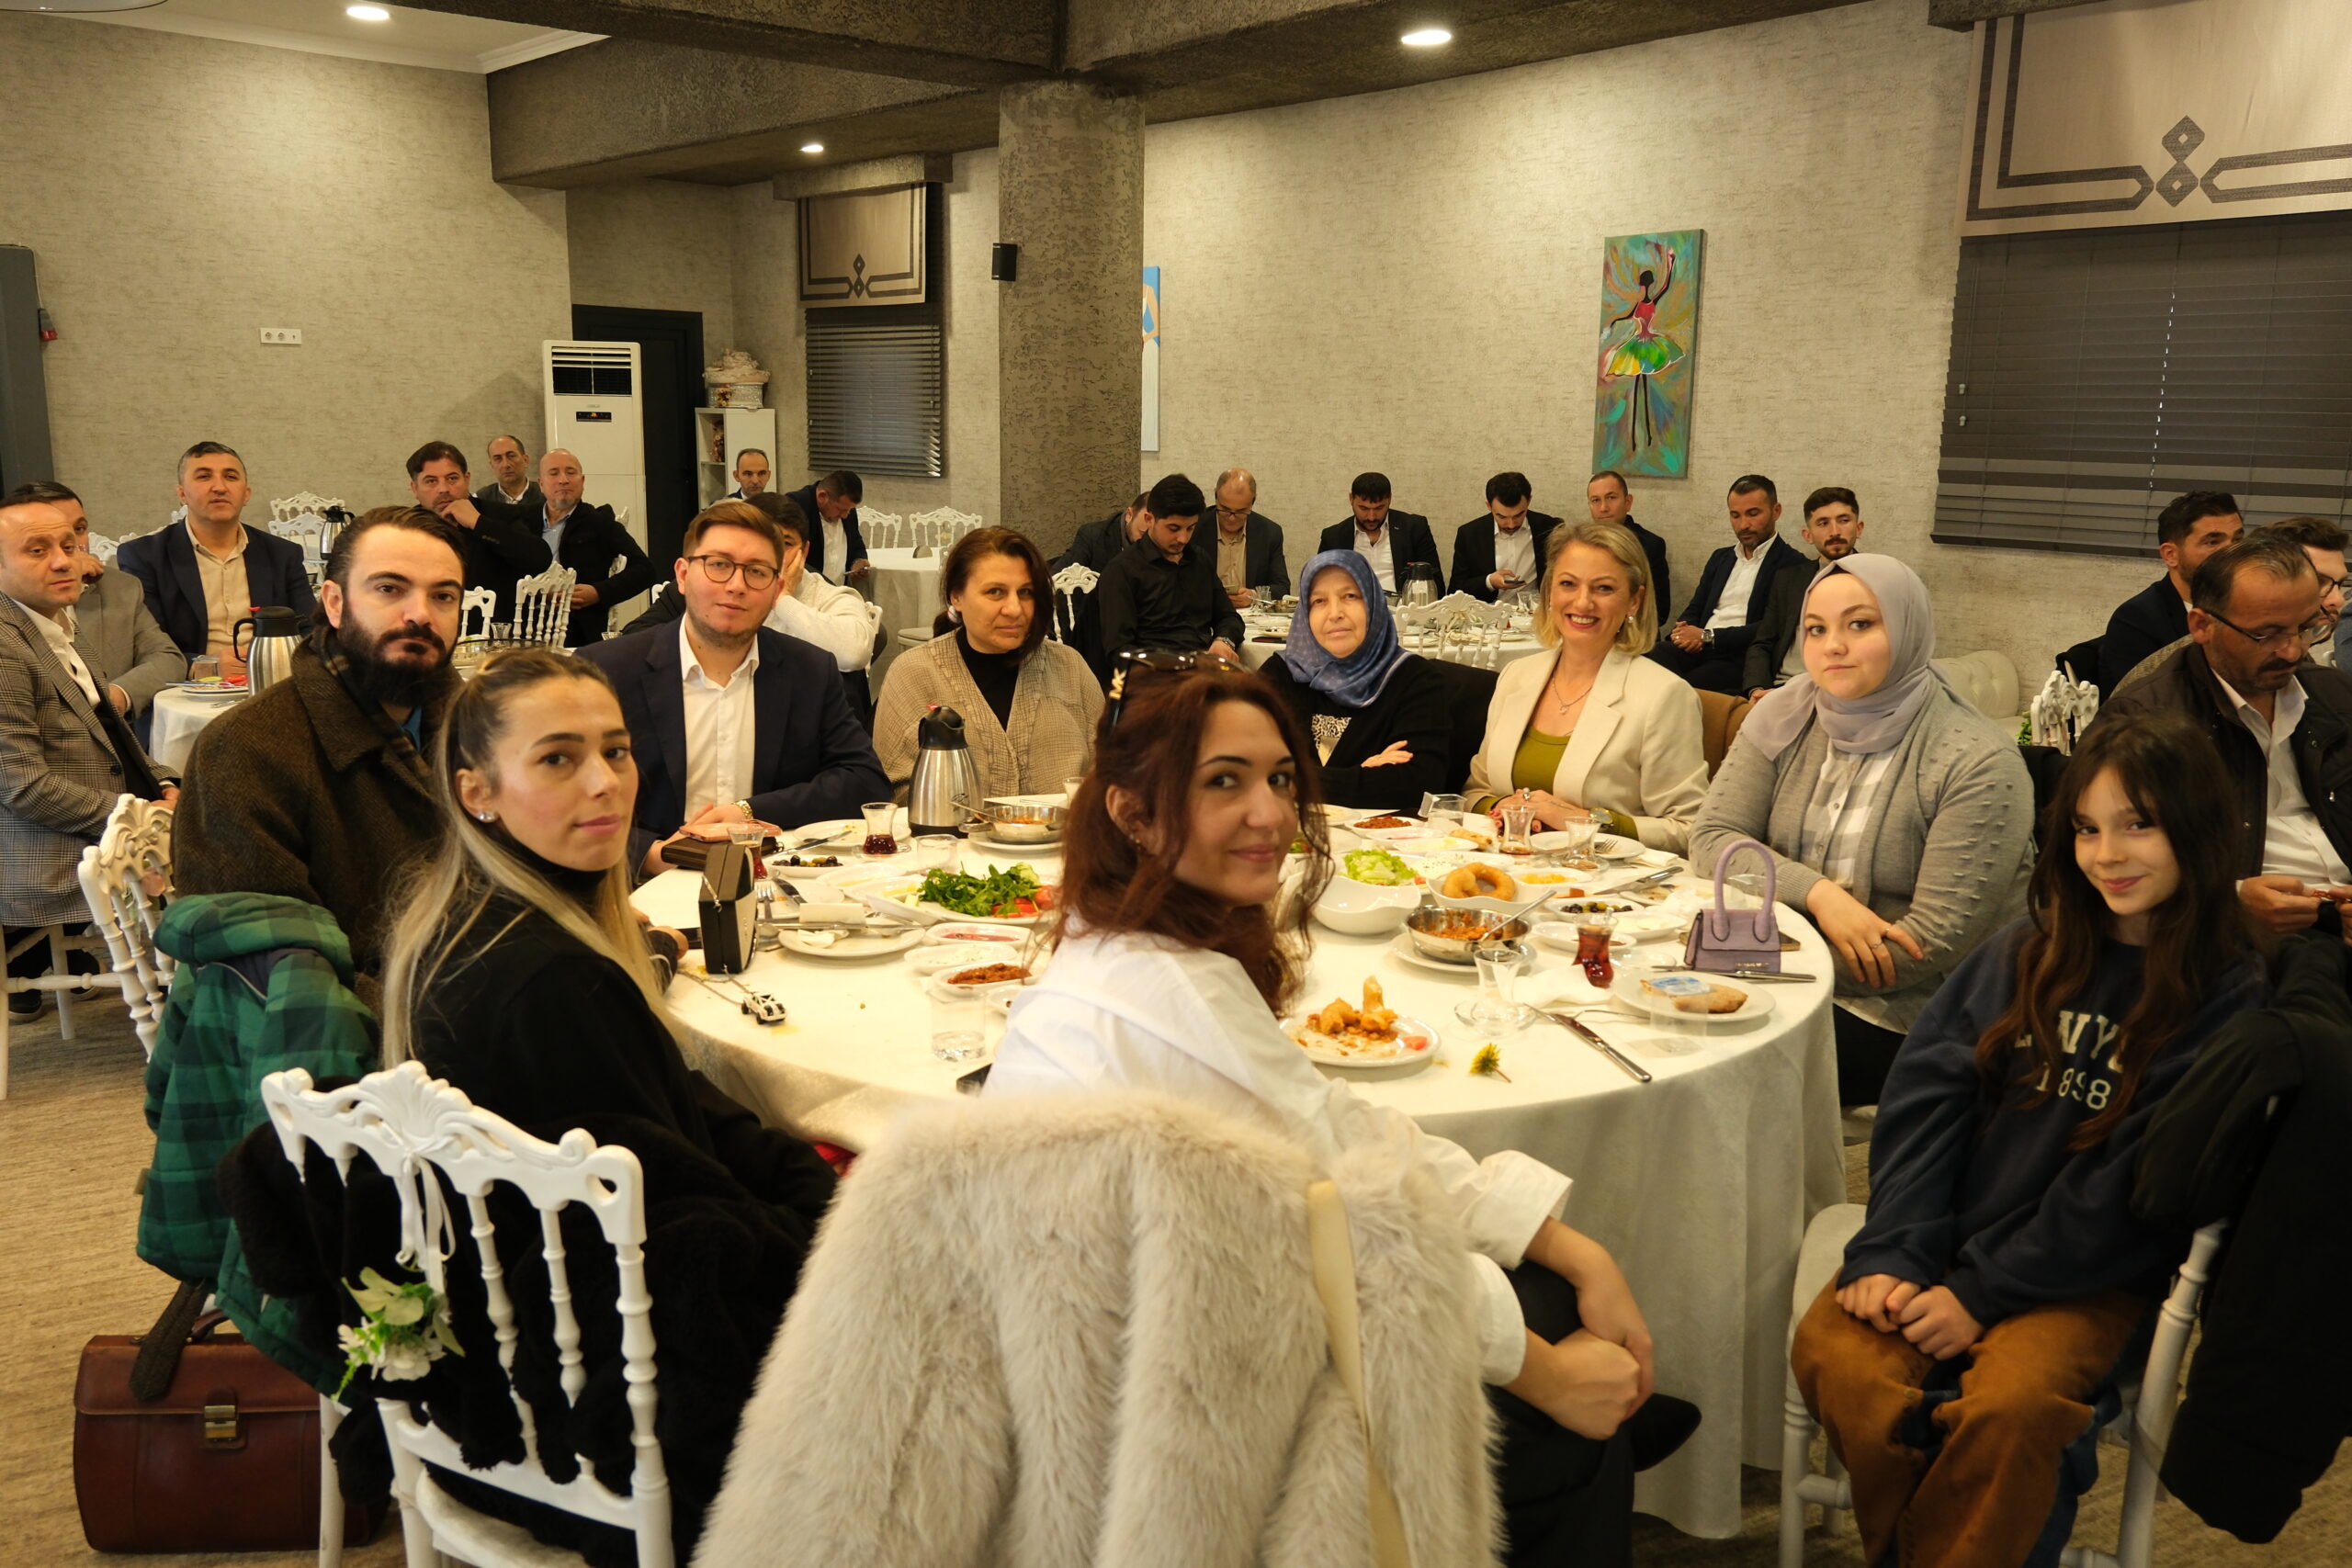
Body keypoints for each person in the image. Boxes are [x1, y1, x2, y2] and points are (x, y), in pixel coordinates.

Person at [988, 666, 1695, 1567]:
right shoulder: (1171, 994)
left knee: (1542, 1287)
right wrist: (1548, 1374)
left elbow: (1331, 1122)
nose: (1270, 815)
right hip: (1151, 1409)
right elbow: (1341, 1240)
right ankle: (1594, 1451)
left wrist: (1557, 1239)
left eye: (1281, 778)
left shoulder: (1121, 938)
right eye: (1223, 781)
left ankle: (1604, 1423)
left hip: (1159, 1315)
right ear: (1132, 813)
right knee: (1552, 1376)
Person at [376, 643, 838, 1562]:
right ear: (478, 792)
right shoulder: (553, 981)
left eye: (616, 751)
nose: (605, 783)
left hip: (503, 1348)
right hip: (587, 1409)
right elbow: (688, 1226)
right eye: (558, 758)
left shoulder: (458, 920)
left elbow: (676, 1126)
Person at [1791, 716, 2263, 1568]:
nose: (2107, 854)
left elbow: (2133, 1184)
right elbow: (1927, 1098)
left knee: (2011, 1411)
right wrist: (1898, 1245)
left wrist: (1982, 1291)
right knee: (1840, 1358)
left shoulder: (2225, 995)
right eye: (2086, 828)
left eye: (2138, 824)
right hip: (1950, 1236)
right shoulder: (2030, 948)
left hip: (2091, 1275)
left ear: (2195, 828)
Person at [1690, 556, 2034, 1106]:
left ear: (1907, 627)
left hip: (1919, 1013)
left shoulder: (1976, 760)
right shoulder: (1784, 715)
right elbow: (1713, 837)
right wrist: (1819, 895)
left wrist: (1758, 959)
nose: (1833, 646)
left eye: (1860, 624)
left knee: (1708, 1064)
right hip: (1781, 967)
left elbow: (1926, 947)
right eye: (1815, 629)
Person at [172, 505, 465, 985]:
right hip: (371, 1021)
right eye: (389, 589)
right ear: (334, 602)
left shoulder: (480, 728)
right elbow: (272, 975)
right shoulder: (245, 750)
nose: (420, 614)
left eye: (443, 596)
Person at [580, 500, 887, 876]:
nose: (736, 586)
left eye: (756, 572)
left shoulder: (809, 670)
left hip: (773, 880)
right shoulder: (606, 671)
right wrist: (653, 855)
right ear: (682, 575)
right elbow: (560, 801)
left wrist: (748, 812)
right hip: (638, 887)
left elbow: (864, 781)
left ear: (777, 589)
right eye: (719, 565)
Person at [2091, 533, 2352, 940]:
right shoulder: (2143, 720)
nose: (2292, 651)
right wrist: (2229, 902)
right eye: (2267, 635)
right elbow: (2099, 863)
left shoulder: (2335, 695)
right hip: (2222, 938)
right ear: (2202, 626)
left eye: (2304, 629)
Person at [0, 496, 174, 1015]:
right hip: (43, 852)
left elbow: (114, 739)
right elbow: (23, 787)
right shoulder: (4, 647)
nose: (63, 561)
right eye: (37, 550)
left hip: (91, 826)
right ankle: (204, 1012)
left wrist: (165, 784)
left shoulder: (53, 627)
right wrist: (136, 816)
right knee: (221, 862)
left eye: (70, 545)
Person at [1465, 519, 1707, 852]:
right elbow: (1476, 792)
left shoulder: (1664, 696)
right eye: (1568, 584)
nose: (1582, 603)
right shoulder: (1516, 676)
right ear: (1550, 591)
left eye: (1603, 588)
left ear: (1634, 601)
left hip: (1607, 880)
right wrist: (1503, 806)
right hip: (1511, 868)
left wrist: (1585, 820)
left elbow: (1690, 829)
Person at [871, 527, 1102, 800]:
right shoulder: (914, 674)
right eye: (995, 592)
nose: (1014, 609)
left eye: (1026, 592)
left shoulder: (1070, 667)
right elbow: (891, 791)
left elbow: (1110, 771)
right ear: (956, 596)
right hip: (946, 829)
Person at [1258, 549, 1451, 810]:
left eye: (1350, 596)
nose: (1334, 613)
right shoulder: (1281, 674)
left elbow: (1418, 784)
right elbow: (1248, 767)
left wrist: (1296, 781)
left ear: (1373, 602)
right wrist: (1361, 775)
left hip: (1382, 833)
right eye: (1319, 601)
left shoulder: (1415, 680)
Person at [116, 442, 316, 681]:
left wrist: (268, 663)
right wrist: (206, 666)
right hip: (187, 688)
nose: (219, 487)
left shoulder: (282, 554)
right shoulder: (144, 557)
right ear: (182, 494)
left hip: (270, 681)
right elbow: (144, 646)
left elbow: (311, 633)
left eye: (230, 477)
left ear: (246, 494)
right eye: (204, 476)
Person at [4, 481, 184, 728]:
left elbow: (167, 658)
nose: (68, 554)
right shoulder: (11, 611)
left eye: (78, 530)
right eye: (39, 548)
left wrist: (117, 696)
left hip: (118, 734)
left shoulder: (120, 588)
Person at [2109, 513, 2350, 692]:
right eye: (2319, 581)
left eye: (2340, 584)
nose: (2338, 600)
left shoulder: (2315, 678)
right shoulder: (2159, 696)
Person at [1650, 474, 1808, 694]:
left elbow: (1771, 627)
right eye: (1735, 515)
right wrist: (1683, 632)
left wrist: (1708, 637)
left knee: (1684, 689)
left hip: (1740, 655)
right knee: (1644, 663)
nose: (1744, 525)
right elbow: (1696, 607)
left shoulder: (1794, 565)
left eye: (1753, 514)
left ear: (1776, 511)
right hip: (1698, 647)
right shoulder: (1721, 558)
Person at [1091, 473, 1243, 680]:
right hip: (1154, 679)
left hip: (1203, 673)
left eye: (1190, 528)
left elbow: (1229, 617)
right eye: (1174, 528)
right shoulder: (1122, 571)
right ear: (1149, 519)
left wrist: (1223, 641)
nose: (1183, 538)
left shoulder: (1199, 561)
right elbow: (1119, 652)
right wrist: (1176, 669)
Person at [2095, 491, 2242, 697]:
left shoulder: (2246, 608)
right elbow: (2138, 704)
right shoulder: (2136, 619)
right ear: (2171, 555)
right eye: (2213, 542)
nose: (2233, 552)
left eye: (2238, 539)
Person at [749, 491, 882, 718]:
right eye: (759, 541)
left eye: (785, 543)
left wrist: (782, 600)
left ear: (804, 551)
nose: (771, 554)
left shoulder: (830, 596)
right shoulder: (725, 593)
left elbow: (855, 653)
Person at [404, 439, 552, 623]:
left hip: (491, 630)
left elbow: (540, 558)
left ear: (466, 479)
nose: (443, 489)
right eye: (431, 481)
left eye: (452, 478)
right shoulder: (406, 528)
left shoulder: (497, 514)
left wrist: (478, 523)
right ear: (415, 488)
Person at [1743, 486, 1869, 698]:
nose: (1834, 531)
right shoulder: (1788, 580)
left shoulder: (1875, 581)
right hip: (1780, 689)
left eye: (1844, 520)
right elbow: (1762, 643)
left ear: (1859, 528)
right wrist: (1757, 689)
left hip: (1838, 693)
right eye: (1823, 523)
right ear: (1808, 535)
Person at [532, 447, 655, 646]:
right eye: (554, 473)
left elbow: (645, 570)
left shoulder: (599, 522)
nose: (563, 480)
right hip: (526, 620)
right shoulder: (525, 521)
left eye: (570, 472)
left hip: (578, 625)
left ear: (582, 481)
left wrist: (598, 592)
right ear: (541, 484)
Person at [1315, 472, 1441, 596]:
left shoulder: (1414, 528)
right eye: (1363, 508)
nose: (1371, 517)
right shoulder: (1333, 537)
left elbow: (1436, 586)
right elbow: (1320, 588)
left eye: (1379, 508)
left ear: (1389, 499)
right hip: (1352, 607)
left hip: (1403, 607)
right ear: (1351, 499)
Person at [1449, 471, 1562, 603]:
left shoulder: (1549, 528)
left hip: (1535, 611)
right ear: (1489, 506)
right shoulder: (1470, 534)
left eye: (1519, 515)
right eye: (1501, 517)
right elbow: (1455, 591)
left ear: (1529, 501)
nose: (1511, 524)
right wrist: (1489, 582)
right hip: (1487, 612)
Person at [1585, 470, 1672, 622]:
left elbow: (1660, 611)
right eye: (1596, 500)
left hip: (1632, 629)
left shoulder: (1649, 545)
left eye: (1611, 498)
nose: (1603, 507)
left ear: (1628, 502)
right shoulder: (1581, 545)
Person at [1207, 468, 1288, 609]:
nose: (1231, 518)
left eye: (1240, 512)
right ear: (1216, 495)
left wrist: (1254, 596)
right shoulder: (1195, 528)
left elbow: (1282, 588)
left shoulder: (1269, 533)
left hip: (1250, 615)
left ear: (1253, 502)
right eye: (1225, 509)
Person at [782, 469, 869, 585]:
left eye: (849, 510)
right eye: (840, 510)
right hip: (806, 588)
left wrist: (858, 560)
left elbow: (856, 542)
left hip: (838, 589)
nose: (845, 516)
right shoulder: (796, 506)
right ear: (822, 496)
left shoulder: (847, 509)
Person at [472, 433, 541, 512]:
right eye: (498, 459)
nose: (505, 465)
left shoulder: (546, 494)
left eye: (511, 456)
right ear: (492, 466)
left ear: (525, 460)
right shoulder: (480, 499)